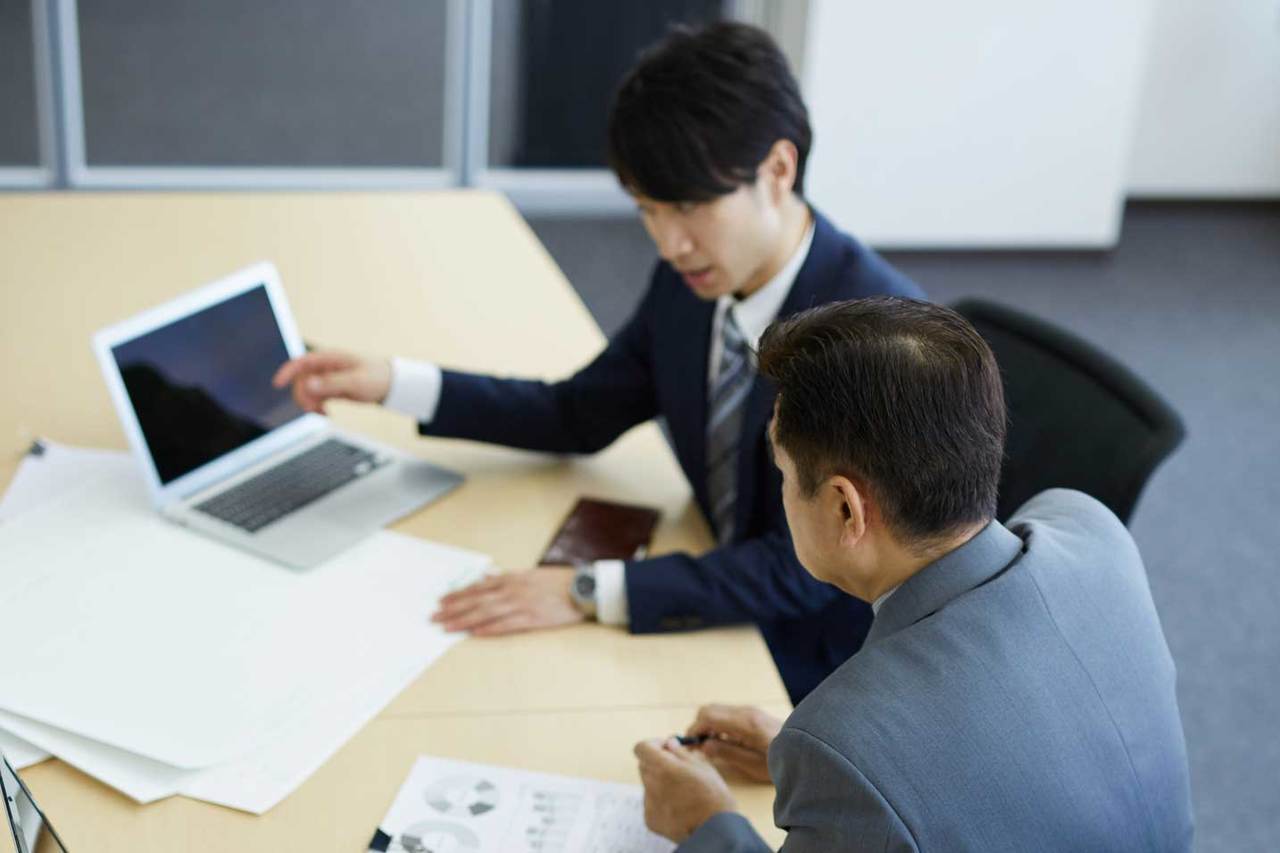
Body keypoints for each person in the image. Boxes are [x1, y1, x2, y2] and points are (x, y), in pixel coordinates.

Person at [273, 22, 923, 702]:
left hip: (825, 667)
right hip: (713, 600)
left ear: (778, 169)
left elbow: (803, 568)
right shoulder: (694, 278)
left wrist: (593, 589)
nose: (670, 242)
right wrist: (395, 383)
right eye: (647, 210)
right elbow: (579, 413)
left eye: (690, 206)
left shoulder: (871, 339)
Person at [634, 297, 1194, 851]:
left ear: (844, 509)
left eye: (782, 471)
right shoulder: (1090, 529)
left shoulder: (847, 742)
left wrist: (707, 823)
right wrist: (821, 775)